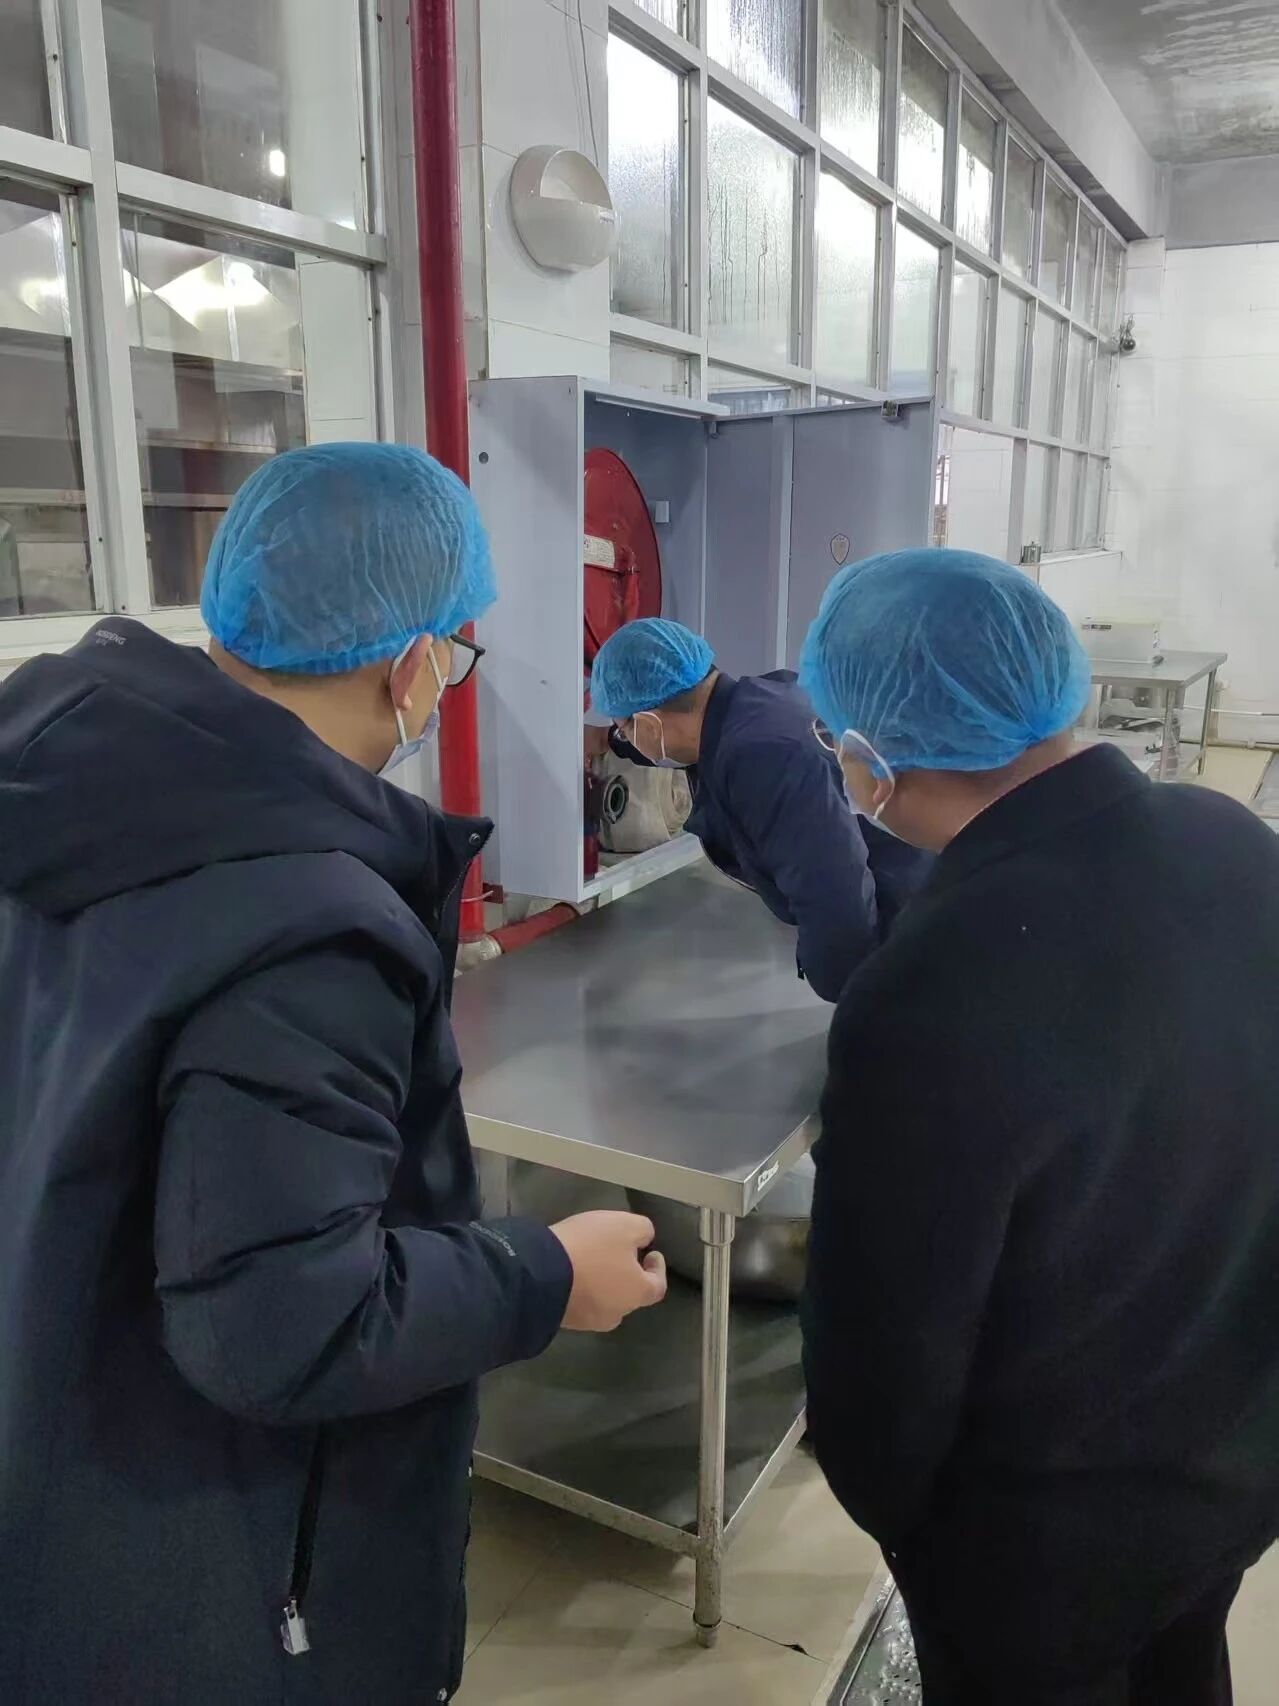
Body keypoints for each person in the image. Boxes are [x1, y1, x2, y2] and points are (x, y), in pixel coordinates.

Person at [0, 443, 666, 1706]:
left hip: (67, 1455)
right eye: (455, 653)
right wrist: (542, 1274)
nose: (447, 682)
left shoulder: (70, 798)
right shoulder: (307, 923)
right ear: (405, 665)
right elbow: (279, 1321)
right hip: (216, 1582)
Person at [798, 546, 1279, 1706]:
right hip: (1232, 1462)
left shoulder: (926, 988)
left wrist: (909, 1522)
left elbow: (885, 1354)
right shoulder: (1234, 843)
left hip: (1037, 1551)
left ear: (875, 756)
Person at [589, 617, 933, 1001]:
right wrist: (607, 741)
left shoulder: (763, 758)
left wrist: (848, 992)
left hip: (910, 931)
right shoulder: (765, 696)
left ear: (649, 725)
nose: (626, 737)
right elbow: (684, 744)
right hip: (925, 889)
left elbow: (833, 889)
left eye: (625, 728)